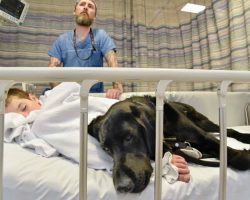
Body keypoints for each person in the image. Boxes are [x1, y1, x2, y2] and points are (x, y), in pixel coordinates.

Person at [5, 87, 190, 183]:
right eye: (16, 117)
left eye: (24, 108)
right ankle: (153, 159)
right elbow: (82, 146)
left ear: (33, 97)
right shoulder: (43, 125)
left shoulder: (55, 102)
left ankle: (159, 148)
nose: (26, 118)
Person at [48, 0, 123, 99]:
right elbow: (52, 71)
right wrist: (63, 95)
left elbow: (113, 63)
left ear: (94, 16)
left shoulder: (101, 36)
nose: (86, 7)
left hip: (95, 97)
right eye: (82, 4)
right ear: (74, 11)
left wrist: (117, 88)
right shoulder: (62, 40)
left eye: (90, 6)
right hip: (69, 97)